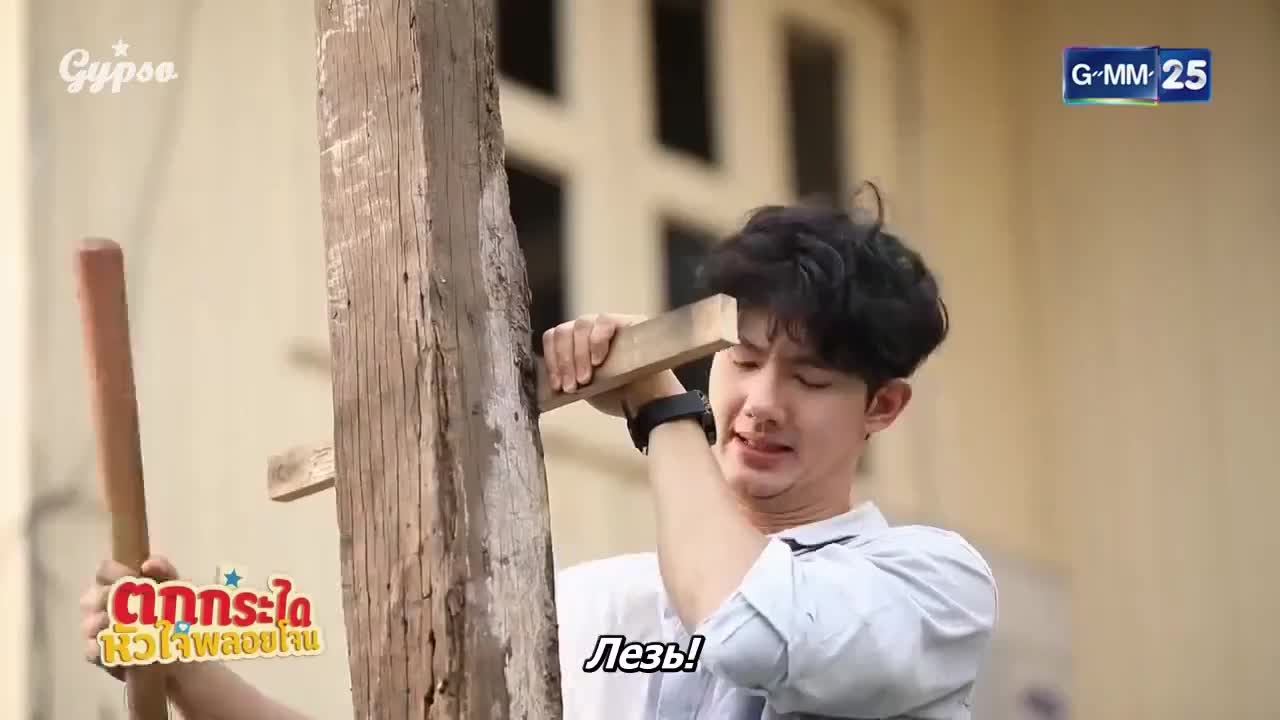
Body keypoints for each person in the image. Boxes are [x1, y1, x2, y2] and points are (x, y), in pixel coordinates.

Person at [81, 189, 997, 719]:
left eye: (811, 379)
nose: (760, 405)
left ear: (883, 406)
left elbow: (748, 625)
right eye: (743, 361)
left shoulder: (929, 586)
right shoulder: (596, 607)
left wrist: (659, 404)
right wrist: (180, 662)